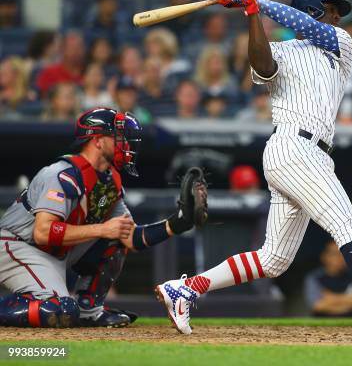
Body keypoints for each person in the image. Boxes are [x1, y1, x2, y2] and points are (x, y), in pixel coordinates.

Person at [156, 0, 352, 340]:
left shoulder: (340, 44)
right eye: (331, 8)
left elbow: (309, 29)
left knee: (274, 259)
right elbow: (260, 63)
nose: (338, 15)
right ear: (313, 9)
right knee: (348, 226)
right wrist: (252, 13)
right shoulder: (280, 49)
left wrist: (258, 1)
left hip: (309, 153)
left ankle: (187, 289)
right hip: (293, 146)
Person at [0, 108, 207, 327]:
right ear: (97, 140)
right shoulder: (61, 175)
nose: (126, 144)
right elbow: (42, 233)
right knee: (58, 309)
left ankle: (89, 310)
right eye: (118, 137)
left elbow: (130, 237)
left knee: (116, 238)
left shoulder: (109, 181)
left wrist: (179, 222)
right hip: (16, 246)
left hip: (52, 253)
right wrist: (102, 229)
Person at [304, 240, 352, 317]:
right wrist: (348, 301)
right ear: (324, 256)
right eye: (334, 254)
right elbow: (318, 306)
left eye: (343, 254)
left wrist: (332, 298)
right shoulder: (314, 277)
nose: (340, 258)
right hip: (323, 325)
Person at [37, 32, 86, 97]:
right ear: (62, 49)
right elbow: (44, 100)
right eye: (72, 48)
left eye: (79, 47)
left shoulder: (91, 72)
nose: (76, 51)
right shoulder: (49, 73)